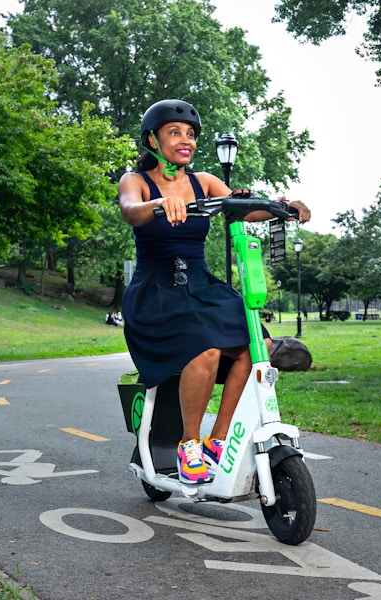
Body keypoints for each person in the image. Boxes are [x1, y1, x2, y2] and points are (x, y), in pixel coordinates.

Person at [118, 99, 311, 484]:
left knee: (257, 345)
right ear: (152, 140)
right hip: (156, 290)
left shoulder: (204, 181)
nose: (185, 140)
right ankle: (189, 444)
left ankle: (216, 441)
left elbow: (244, 209)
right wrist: (159, 203)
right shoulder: (136, 181)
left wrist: (281, 207)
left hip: (201, 285)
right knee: (204, 347)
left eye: (190, 134)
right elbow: (130, 210)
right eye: (174, 132)